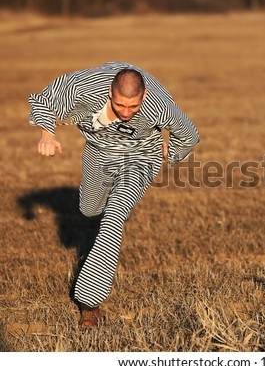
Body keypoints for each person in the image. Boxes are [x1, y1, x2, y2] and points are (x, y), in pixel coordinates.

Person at [28, 61, 200, 327]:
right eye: (120, 105)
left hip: (141, 156)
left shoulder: (159, 104)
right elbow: (43, 101)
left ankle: (90, 302)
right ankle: (104, 206)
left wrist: (172, 153)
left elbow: (188, 133)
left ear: (143, 97)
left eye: (134, 106)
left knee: (114, 215)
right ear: (110, 91)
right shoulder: (82, 88)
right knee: (89, 209)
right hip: (99, 151)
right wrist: (47, 133)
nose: (127, 112)